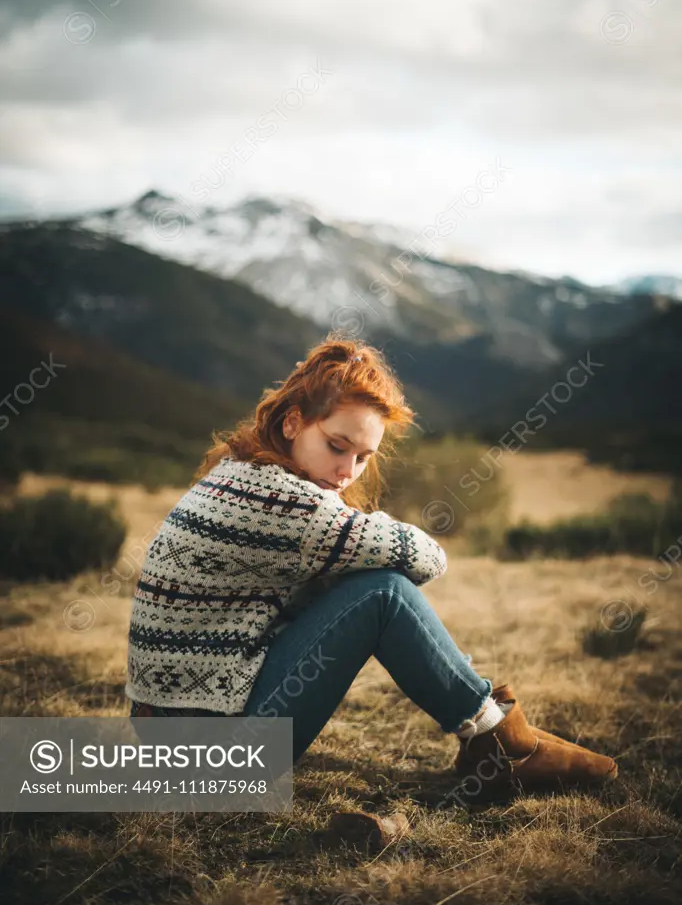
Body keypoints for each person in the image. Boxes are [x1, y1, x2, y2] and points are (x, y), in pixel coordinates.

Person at [126, 335, 617, 800]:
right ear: (293, 423)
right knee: (382, 591)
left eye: (363, 457)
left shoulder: (239, 472)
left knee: (363, 583)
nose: (346, 472)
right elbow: (428, 558)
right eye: (337, 446)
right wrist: (363, 525)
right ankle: (500, 742)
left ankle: (496, 734)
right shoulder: (284, 502)